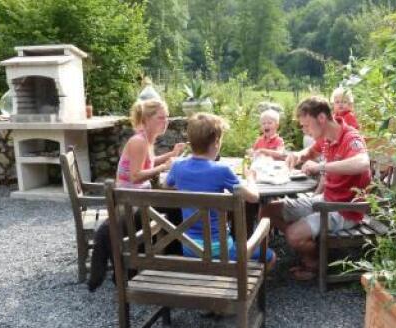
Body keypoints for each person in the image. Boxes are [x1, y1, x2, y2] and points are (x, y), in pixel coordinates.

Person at [260, 96, 371, 281]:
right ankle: (309, 245)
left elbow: (362, 163)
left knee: (293, 235)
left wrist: (321, 167)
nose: (305, 130)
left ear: (321, 118)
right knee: (267, 211)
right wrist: (297, 155)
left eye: (306, 126)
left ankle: (315, 262)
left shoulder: (350, 137)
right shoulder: (326, 138)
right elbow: (310, 152)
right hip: (326, 200)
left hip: (345, 210)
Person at [88, 99, 185, 291]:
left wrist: (170, 154)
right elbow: (136, 176)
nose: (165, 121)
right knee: (176, 206)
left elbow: (148, 162)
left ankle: (168, 257)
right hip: (131, 199)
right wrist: (163, 167)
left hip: (140, 196)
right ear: (147, 119)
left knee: (175, 204)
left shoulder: (146, 139)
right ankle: (171, 260)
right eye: (161, 118)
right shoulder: (138, 141)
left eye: (167, 117)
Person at [165, 112, 276, 271]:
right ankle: (245, 288)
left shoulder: (177, 167)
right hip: (221, 250)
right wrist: (250, 177)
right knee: (270, 256)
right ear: (216, 142)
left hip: (189, 248)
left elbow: (167, 185)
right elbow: (253, 197)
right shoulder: (222, 170)